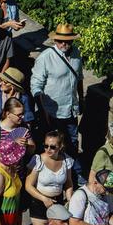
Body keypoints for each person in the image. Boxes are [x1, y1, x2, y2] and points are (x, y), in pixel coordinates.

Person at [30, 24, 83, 158]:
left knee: (73, 142)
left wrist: (81, 99)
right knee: (54, 147)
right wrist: (44, 111)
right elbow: (36, 86)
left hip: (71, 108)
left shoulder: (77, 54)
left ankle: (74, 173)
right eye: (60, 41)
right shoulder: (45, 57)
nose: (64, 44)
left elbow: (79, 78)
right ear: (55, 40)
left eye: (68, 41)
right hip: (53, 112)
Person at [26, 131, 75, 225]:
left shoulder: (66, 160)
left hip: (58, 202)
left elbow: (68, 182)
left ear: (60, 146)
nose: (48, 149)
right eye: (45, 146)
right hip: (39, 202)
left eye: (52, 147)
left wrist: (70, 200)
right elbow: (28, 186)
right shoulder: (38, 160)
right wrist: (44, 199)